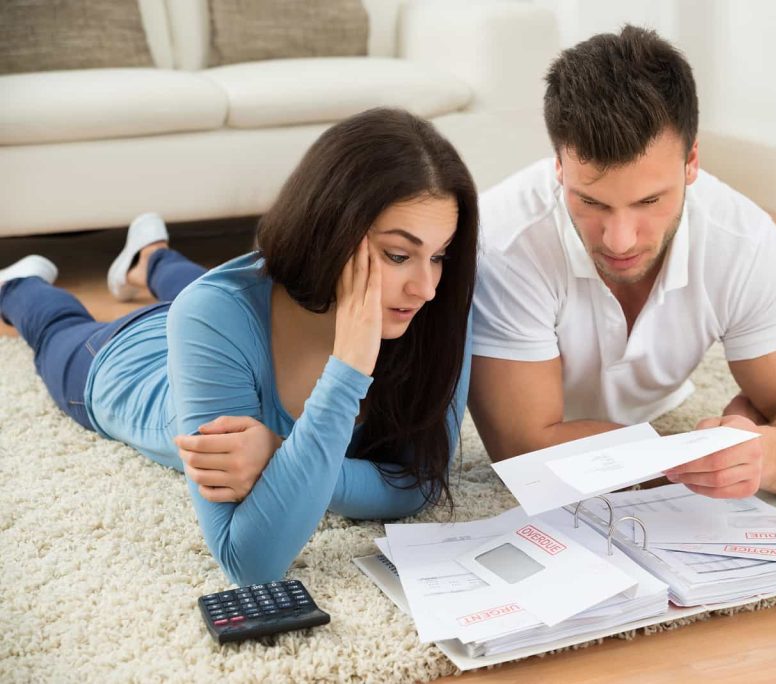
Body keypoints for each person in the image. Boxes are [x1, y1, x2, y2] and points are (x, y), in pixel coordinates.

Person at [0, 108, 478, 586]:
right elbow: (250, 562)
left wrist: (280, 454)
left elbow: (418, 484)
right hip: (126, 362)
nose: (427, 288)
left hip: (225, 318)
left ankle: (150, 258)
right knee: (56, 328)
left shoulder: (433, 304)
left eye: (439, 255)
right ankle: (18, 286)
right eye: (398, 255)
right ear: (329, 231)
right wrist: (348, 368)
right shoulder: (212, 314)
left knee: (205, 291)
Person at [467, 26, 776, 498]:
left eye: (649, 201)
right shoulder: (503, 242)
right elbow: (526, 453)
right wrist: (699, 452)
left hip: (652, 408)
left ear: (692, 162)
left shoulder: (743, 240)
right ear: (558, 166)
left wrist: (760, 455)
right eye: (591, 202)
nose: (620, 239)